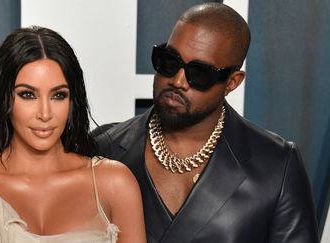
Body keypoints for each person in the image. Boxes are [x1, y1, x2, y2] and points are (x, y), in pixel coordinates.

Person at [94, 3, 319, 243]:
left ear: (232, 82)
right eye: (169, 61)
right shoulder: (103, 148)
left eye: (200, 73)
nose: (178, 81)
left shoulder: (276, 165)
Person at [0, 26, 146, 243]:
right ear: (4, 98)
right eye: (28, 95)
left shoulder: (114, 184)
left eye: (58, 95)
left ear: (72, 101)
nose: (45, 113)